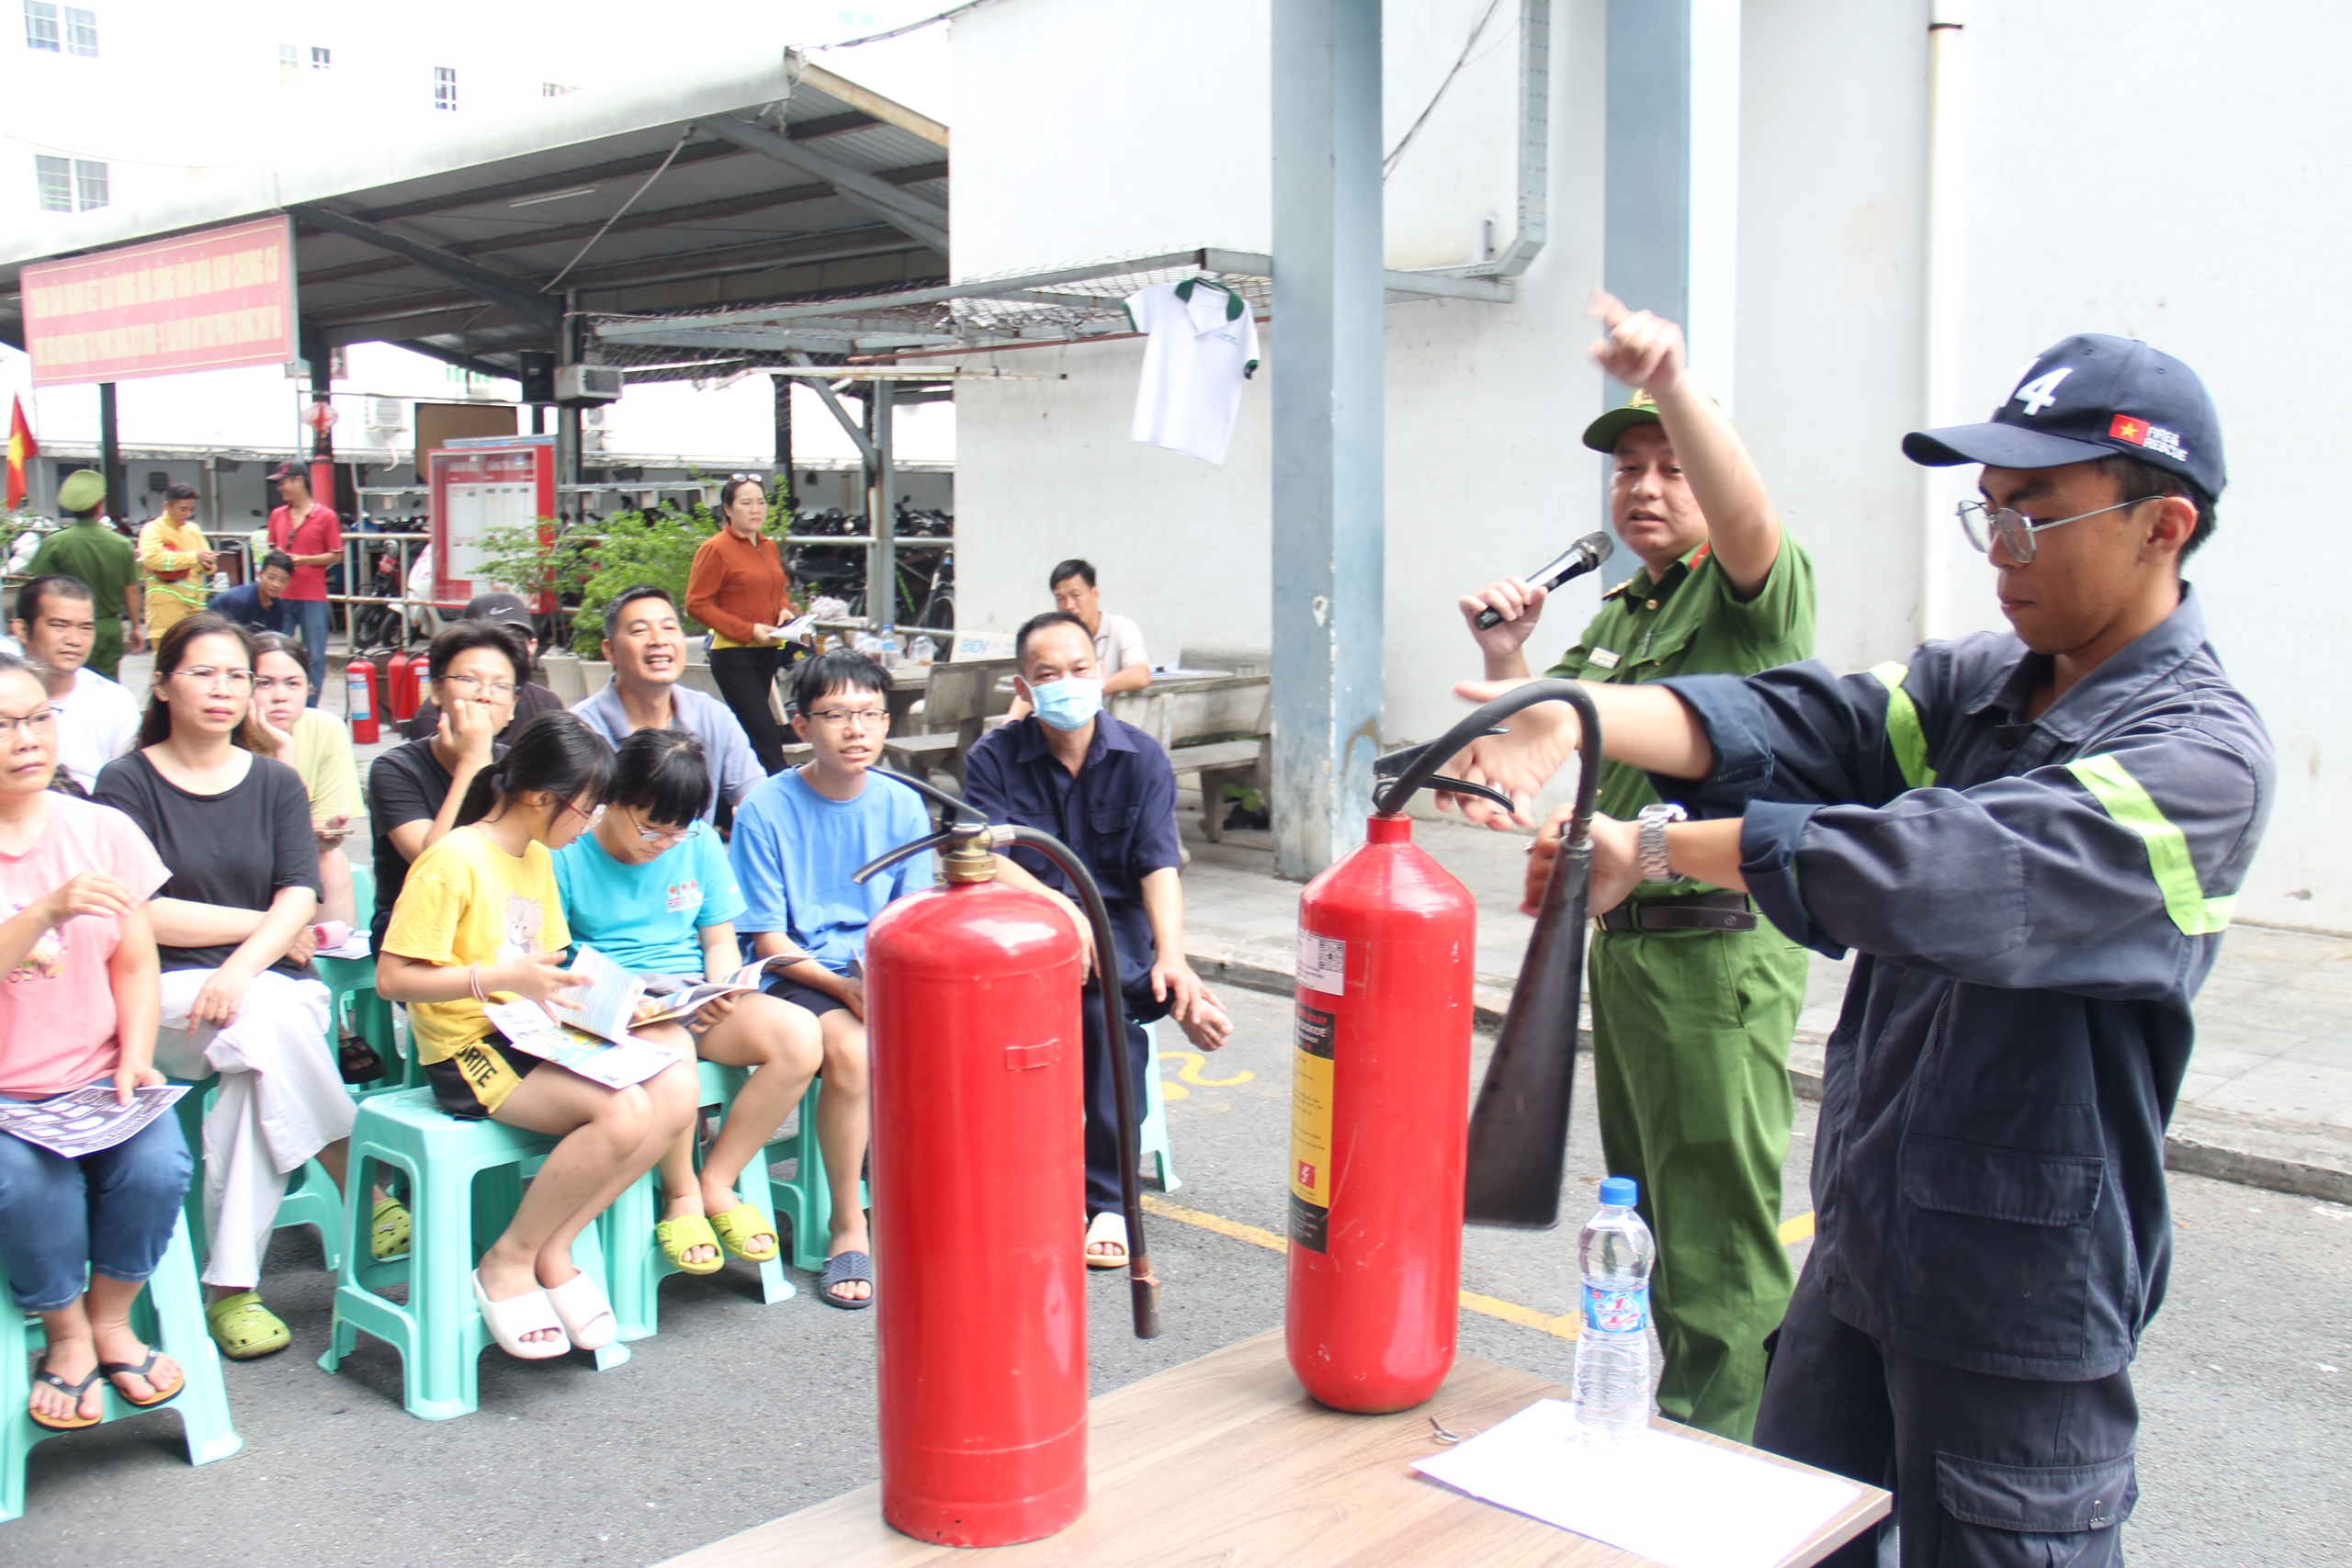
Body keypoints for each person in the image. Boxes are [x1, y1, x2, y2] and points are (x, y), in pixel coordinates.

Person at [1446, 334, 2266, 1566]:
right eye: (1988, 511)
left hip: (2017, 1295)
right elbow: (1806, 719)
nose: (1999, 548)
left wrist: (1663, 845)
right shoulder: (1982, 684)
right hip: (1862, 1249)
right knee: (1798, 1532)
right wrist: (1571, 711)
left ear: (2164, 525)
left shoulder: (2198, 759)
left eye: (2034, 515)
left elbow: (1942, 869)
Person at [1451, 292, 1815, 1443]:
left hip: (1713, 952)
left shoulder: (1752, 600)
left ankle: (1735, 1465)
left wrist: (1671, 382)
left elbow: (1750, 523)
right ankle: (1679, 1431)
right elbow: (1536, 742)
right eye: (1627, 472)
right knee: (1650, 1222)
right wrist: (1508, 653)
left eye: (1671, 467)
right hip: (1626, 952)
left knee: (1719, 1251)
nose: (1645, 487)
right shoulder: (1621, 612)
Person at [374, 712, 700, 1361]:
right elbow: (392, 979)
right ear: (541, 796)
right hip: (468, 1047)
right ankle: (509, 1259)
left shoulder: (537, 859)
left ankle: (555, 1245)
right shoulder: (454, 860)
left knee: (673, 1087)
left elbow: (549, 967)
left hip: (533, 1032)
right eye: (588, 807)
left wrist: (618, 1004)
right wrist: (500, 979)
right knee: (624, 1110)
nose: (589, 823)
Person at [93, 613, 368, 1360]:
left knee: (256, 1052)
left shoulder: (276, 781)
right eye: (203, 673)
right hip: (164, 994)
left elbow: (302, 893)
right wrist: (264, 929)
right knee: (264, 1028)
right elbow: (140, 911)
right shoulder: (126, 782)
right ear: (162, 684)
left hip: (264, 986)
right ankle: (356, 1168)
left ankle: (232, 1287)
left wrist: (241, 966)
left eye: (236, 675)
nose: (224, 689)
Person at [962, 613, 1231, 1269]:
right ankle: (1171, 997)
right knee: (1109, 1007)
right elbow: (981, 854)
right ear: (1024, 686)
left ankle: (1110, 1203)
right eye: (1047, 673)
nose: (1067, 682)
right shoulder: (991, 758)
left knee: (1102, 1013)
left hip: (1115, 930)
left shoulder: (1141, 758)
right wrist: (1059, 903)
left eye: (1079, 668)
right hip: (1025, 933)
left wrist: (1174, 952)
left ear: (1101, 672)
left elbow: (1158, 865)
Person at [0, 649, 194, 1432]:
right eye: (3, 725)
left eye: (36, 718)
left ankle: (112, 1317)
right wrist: (45, 911)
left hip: (94, 1076)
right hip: (7, 1096)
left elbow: (136, 961)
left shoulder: (102, 829)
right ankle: (66, 1331)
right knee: (27, 1184)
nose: (25, 738)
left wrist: (136, 1056)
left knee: (158, 1164)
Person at [554, 729, 821, 1274]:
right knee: (672, 1050)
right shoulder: (567, 851)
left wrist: (723, 988)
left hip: (688, 988)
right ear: (613, 799)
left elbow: (718, 938)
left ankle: (717, 1179)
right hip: (611, 999)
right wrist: (620, 999)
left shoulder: (696, 842)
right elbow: (553, 958)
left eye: (678, 831)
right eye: (650, 827)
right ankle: (681, 1196)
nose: (663, 843)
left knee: (799, 1038)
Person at [726, 650, 932, 1306]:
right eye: (837, 714)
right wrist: (844, 987)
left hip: (879, 970)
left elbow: (911, 919)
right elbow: (768, 938)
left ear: (888, 721)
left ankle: (931, 1191)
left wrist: (884, 980)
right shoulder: (765, 808)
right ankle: (848, 1222)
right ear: (801, 724)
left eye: (870, 714)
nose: (856, 729)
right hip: (798, 971)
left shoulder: (904, 805)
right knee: (850, 1045)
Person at [366, 619, 527, 954]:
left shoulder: (522, 769)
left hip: (501, 926)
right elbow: (436, 865)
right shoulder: (395, 769)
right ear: (437, 690)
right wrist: (473, 763)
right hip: (416, 936)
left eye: (500, 687)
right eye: (468, 680)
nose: (484, 695)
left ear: (512, 706)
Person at [571, 585, 763, 827]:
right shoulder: (581, 730)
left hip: (692, 849)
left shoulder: (712, 716)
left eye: (669, 628)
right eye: (640, 631)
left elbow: (757, 801)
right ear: (610, 651)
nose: (659, 640)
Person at [248, 633, 362, 930]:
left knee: (331, 862)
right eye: (264, 683)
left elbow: (297, 838)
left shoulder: (325, 729)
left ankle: (334, 953)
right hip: (237, 859)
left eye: (293, 684)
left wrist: (324, 832)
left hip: (292, 861)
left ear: (309, 688)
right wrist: (283, 750)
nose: (280, 696)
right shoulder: (222, 736)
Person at [687, 475, 797, 776]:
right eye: (746, 503)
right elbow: (696, 604)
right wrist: (748, 630)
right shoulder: (715, 548)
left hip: (767, 650)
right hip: (733, 654)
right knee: (765, 734)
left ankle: (731, 794)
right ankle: (783, 792)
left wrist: (784, 610)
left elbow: (776, 589)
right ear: (728, 509)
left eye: (760, 502)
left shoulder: (767, 546)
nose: (755, 509)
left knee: (749, 734)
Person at [10, 575, 140, 795]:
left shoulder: (114, 701)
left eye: (86, 628)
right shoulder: (6, 697)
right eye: (59, 625)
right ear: (22, 630)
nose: (74, 640)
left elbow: (129, 787)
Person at [26, 469, 141, 680]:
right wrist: (135, 627)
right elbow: (131, 591)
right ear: (100, 505)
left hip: (65, 628)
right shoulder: (122, 544)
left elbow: (38, 589)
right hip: (107, 626)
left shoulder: (55, 543)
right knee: (106, 685)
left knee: (64, 681)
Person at [407, 592, 565, 743]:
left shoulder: (546, 705)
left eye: (515, 640)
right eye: (468, 679)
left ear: (532, 646)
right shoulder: (433, 721)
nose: (485, 695)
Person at [265, 463, 340, 705]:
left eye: (283, 482)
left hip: (312, 597)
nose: (280, 488)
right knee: (275, 651)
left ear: (299, 480)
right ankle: (277, 701)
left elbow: (336, 555)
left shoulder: (326, 517)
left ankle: (310, 707)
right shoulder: (277, 515)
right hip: (280, 596)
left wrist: (305, 560)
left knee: (315, 656)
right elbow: (271, 550)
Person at [138, 483, 216, 641]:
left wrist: (207, 565)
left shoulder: (193, 529)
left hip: (195, 605)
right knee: (168, 649)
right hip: (165, 604)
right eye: (183, 509)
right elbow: (153, 559)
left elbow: (209, 561)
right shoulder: (153, 529)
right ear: (167, 506)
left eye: (191, 510)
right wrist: (193, 558)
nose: (188, 514)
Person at [210, 552, 296, 637]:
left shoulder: (279, 606)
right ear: (260, 574)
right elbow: (238, 639)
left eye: (283, 581)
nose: (276, 584)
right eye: (271, 577)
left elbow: (275, 638)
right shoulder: (242, 601)